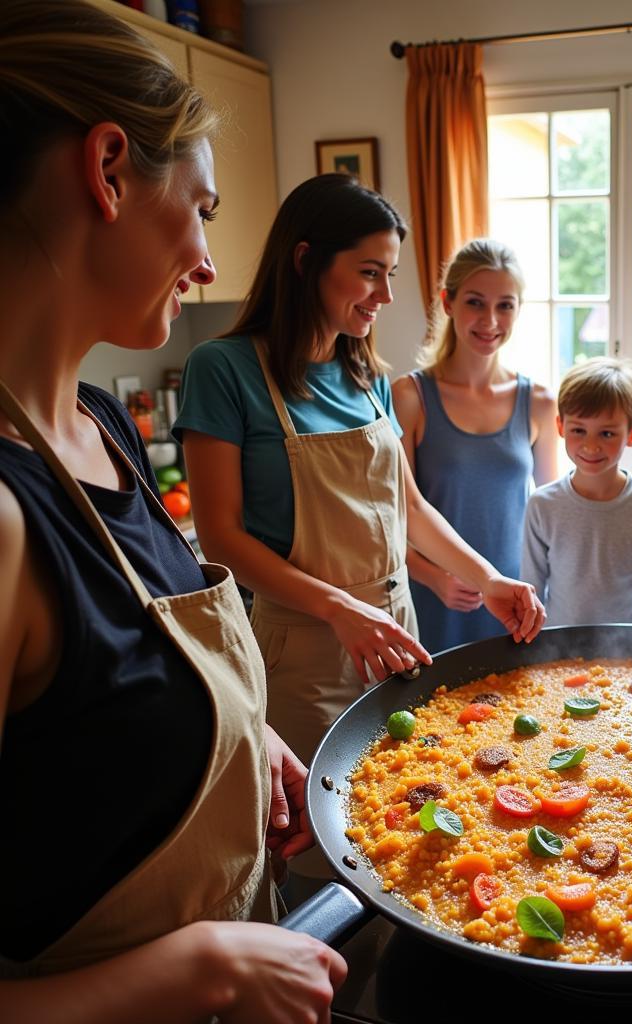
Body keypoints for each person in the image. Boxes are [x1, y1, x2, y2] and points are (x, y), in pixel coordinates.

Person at [0, 2, 346, 1018]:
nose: (206, 257)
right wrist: (206, 968)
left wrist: (245, 739)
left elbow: (128, 671)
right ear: (107, 170)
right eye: (200, 207)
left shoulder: (102, 425)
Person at [174, 177, 546, 883]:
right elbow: (220, 539)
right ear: (306, 259)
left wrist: (489, 579)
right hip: (301, 651)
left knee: (401, 830)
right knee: (320, 848)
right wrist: (342, 608)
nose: (385, 295)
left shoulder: (366, 373)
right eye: (370, 273)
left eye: (392, 275)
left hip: (395, 635)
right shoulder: (223, 370)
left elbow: (410, 508)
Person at [392, 238, 559, 652]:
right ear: (448, 303)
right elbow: (393, 515)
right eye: (475, 302)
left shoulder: (538, 401)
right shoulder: (409, 396)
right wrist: (433, 577)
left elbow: (552, 516)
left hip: (515, 597)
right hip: (436, 598)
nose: (490, 320)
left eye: (505, 305)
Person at [521, 357, 632, 625]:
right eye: (578, 430)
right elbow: (530, 593)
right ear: (560, 427)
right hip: (555, 652)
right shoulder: (541, 504)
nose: (590, 446)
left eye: (607, 434)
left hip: (628, 654)